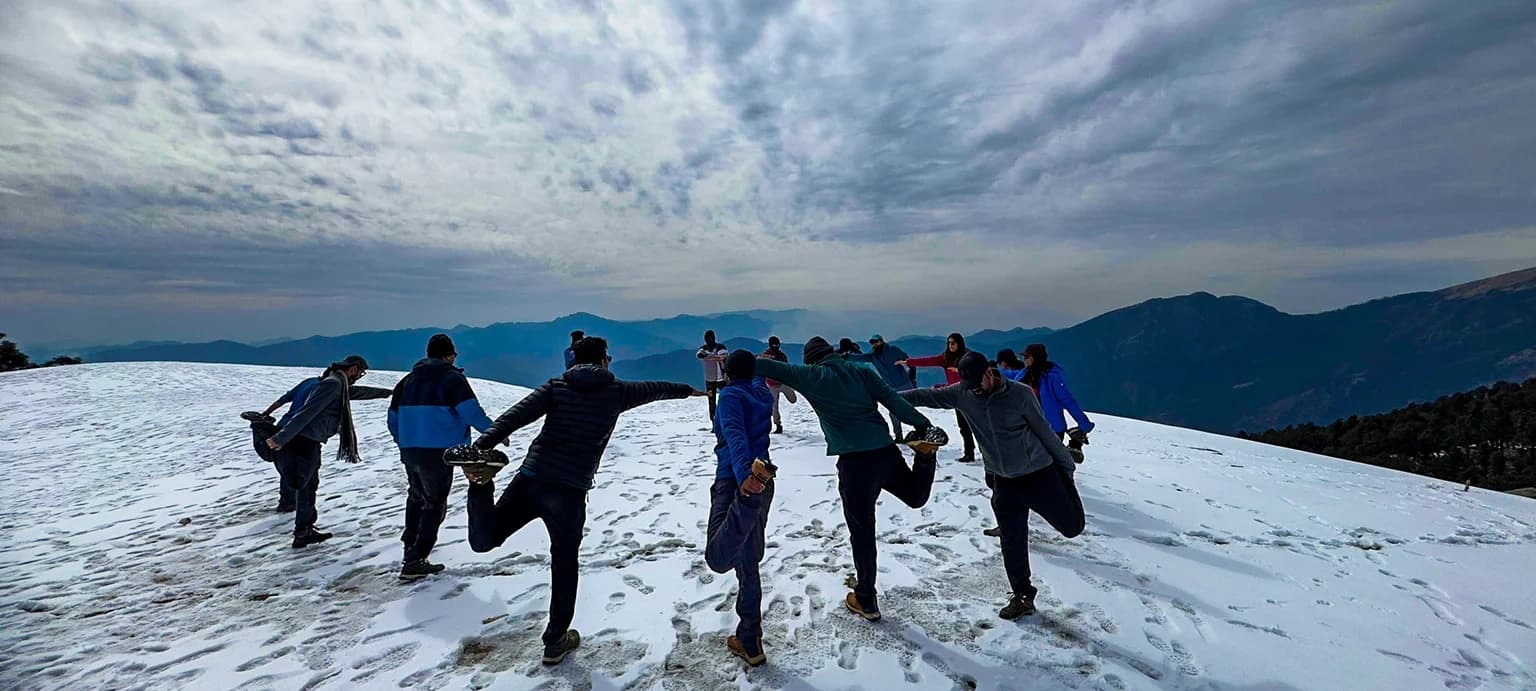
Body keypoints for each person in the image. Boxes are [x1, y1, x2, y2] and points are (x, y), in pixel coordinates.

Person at [452, 337, 701, 666]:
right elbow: (657, 388)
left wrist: (481, 447)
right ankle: (556, 640)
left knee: (485, 540)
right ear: (605, 361)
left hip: (531, 479)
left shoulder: (556, 386)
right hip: (568, 493)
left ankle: (481, 482)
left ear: (573, 360)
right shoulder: (618, 391)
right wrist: (689, 389)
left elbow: (513, 417)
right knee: (565, 563)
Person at [755, 337, 936, 622]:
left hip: (855, 465)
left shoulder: (811, 375)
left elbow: (767, 367)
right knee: (914, 496)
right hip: (885, 451)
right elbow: (893, 400)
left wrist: (733, 361)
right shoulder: (861, 371)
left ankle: (866, 600)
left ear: (811, 359)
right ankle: (925, 458)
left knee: (862, 532)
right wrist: (923, 425)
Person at [900, 352, 1084, 619]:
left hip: (1039, 474)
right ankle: (1022, 595)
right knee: (1012, 540)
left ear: (990, 372)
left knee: (1072, 527)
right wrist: (883, 397)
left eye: (978, 383)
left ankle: (1066, 491)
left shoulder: (1020, 394)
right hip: (1004, 482)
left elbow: (1043, 431)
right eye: (969, 385)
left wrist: (1066, 469)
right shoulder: (963, 392)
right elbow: (924, 396)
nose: (975, 389)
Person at [386, 334, 496, 580]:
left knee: (416, 497)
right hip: (439, 452)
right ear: (449, 355)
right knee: (434, 502)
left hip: (410, 450)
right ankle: (416, 559)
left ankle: (410, 548)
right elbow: (470, 411)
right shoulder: (452, 379)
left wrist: (402, 441)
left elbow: (392, 418)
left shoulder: (407, 381)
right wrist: (493, 431)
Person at [265, 355, 390, 548]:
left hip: (307, 440)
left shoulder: (337, 384)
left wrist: (387, 393)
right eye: (361, 373)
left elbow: (358, 392)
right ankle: (302, 530)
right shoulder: (332, 385)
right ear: (353, 369)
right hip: (304, 441)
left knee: (308, 483)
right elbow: (307, 412)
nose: (359, 377)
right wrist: (280, 438)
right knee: (306, 484)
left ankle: (304, 529)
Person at [704, 350, 776, 666]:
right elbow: (757, 374)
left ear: (728, 372)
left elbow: (734, 434)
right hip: (764, 480)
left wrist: (744, 477)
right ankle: (750, 639)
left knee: (719, 556)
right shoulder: (760, 390)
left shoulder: (731, 395)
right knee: (748, 562)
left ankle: (750, 637)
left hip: (737, 481)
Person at [899, 332, 977, 463]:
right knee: (964, 427)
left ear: (959, 343)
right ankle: (969, 453)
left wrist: (961, 371)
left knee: (977, 426)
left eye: (953, 343)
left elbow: (977, 371)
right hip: (957, 397)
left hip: (971, 396)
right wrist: (908, 362)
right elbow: (928, 361)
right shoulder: (945, 358)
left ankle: (984, 453)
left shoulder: (967, 357)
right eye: (949, 343)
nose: (951, 345)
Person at [848, 334, 915, 439]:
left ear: (882, 341)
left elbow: (907, 359)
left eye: (877, 341)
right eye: (873, 342)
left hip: (905, 384)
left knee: (911, 409)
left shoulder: (893, 350)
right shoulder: (873, 356)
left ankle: (921, 430)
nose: (875, 344)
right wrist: (845, 356)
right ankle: (899, 437)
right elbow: (860, 358)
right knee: (893, 413)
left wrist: (912, 375)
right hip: (891, 387)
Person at [1022, 344, 1094, 440]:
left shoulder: (1051, 377)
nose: (1024, 360)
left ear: (1036, 358)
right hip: (1030, 427)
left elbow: (1067, 400)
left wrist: (1084, 423)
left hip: (1052, 429)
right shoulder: (1024, 374)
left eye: (1026, 357)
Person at [759, 336, 797, 434]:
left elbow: (787, 368)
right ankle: (778, 425)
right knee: (774, 406)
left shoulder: (782, 355)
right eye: (773, 345)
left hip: (783, 382)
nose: (775, 346)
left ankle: (778, 424)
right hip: (772, 384)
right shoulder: (766, 355)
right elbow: (760, 362)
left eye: (776, 345)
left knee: (793, 399)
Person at [698, 330, 730, 421]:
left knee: (725, 399)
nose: (708, 341)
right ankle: (714, 422)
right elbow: (699, 355)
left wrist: (708, 356)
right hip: (710, 380)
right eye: (707, 339)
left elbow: (723, 356)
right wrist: (713, 356)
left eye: (710, 338)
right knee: (711, 402)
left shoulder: (720, 347)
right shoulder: (703, 349)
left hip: (721, 379)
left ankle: (726, 419)